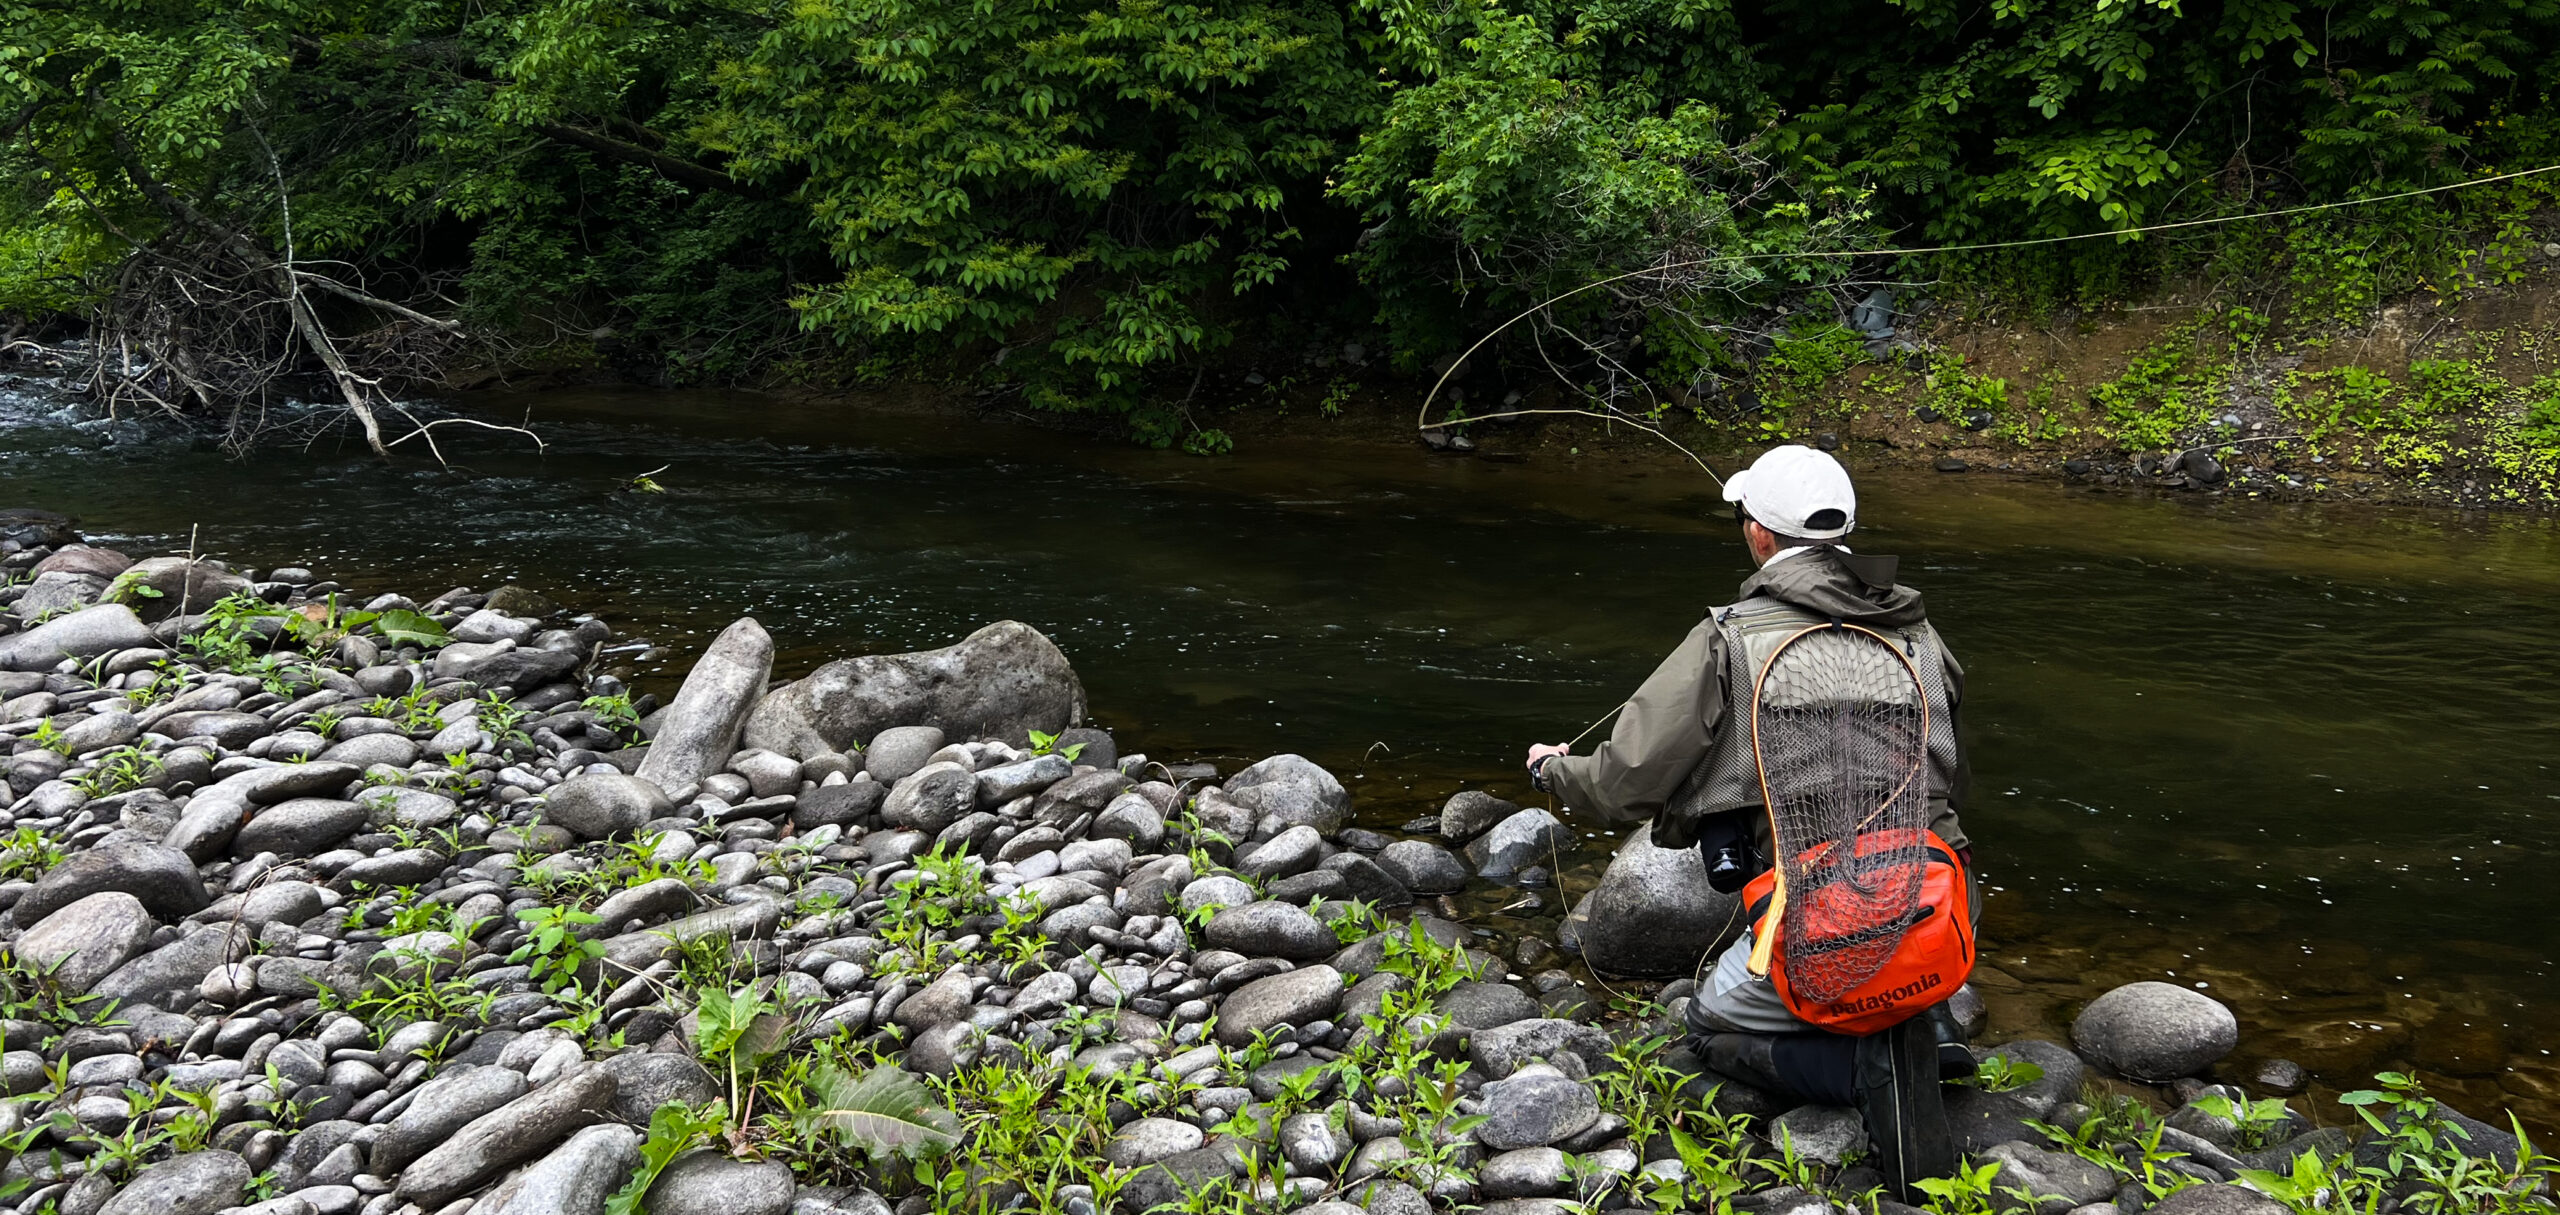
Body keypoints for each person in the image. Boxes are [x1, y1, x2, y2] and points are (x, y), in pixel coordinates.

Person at [1523, 444, 1977, 1192]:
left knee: (1709, 1022)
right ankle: (1923, 1018)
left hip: (1827, 917)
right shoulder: (1921, 633)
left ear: (1759, 535)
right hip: (1939, 899)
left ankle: (1866, 1066)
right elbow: (1953, 768)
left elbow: (1624, 782)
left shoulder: (1728, 637)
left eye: (1744, 518)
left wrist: (1553, 770)